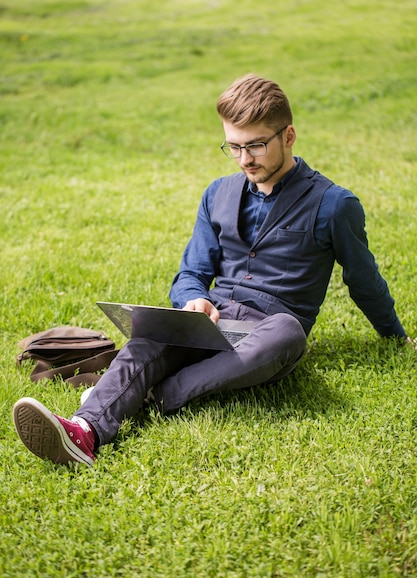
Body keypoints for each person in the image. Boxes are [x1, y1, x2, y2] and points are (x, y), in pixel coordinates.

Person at [13, 74, 414, 467]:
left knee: (288, 331)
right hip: (212, 323)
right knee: (151, 332)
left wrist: (396, 337)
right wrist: (194, 300)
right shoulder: (217, 193)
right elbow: (191, 272)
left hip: (268, 334)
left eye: (255, 146)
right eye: (234, 147)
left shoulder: (334, 203)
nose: (244, 160)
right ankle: (84, 431)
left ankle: (157, 394)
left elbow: (363, 279)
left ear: (288, 136)